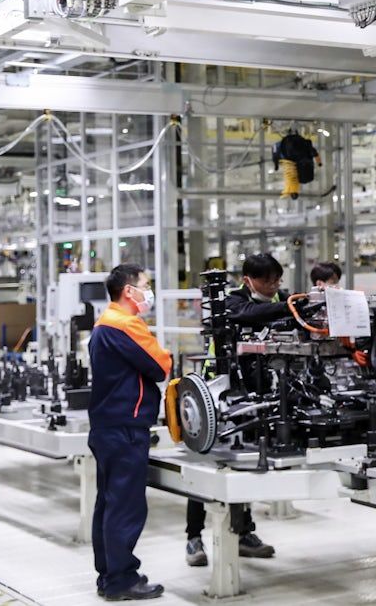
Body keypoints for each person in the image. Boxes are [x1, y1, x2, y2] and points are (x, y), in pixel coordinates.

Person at [185, 253, 283, 567]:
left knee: (243, 464)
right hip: (220, 392)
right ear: (248, 279)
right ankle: (193, 537)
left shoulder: (278, 298)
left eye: (276, 280)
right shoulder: (231, 301)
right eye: (267, 280)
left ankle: (243, 533)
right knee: (207, 466)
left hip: (256, 391)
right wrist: (289, 307)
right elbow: (248, 315)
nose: (273, 286)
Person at [88, 264, 171, 600]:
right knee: (125, 506)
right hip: (125, 428)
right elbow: (162, 365)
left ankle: (109, 574)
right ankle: (122, 580)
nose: (148, 291)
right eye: (146, 285)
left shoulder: (103, 323)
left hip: (108, 426)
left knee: (109, 503)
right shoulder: (124, 324)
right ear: (128, 291)